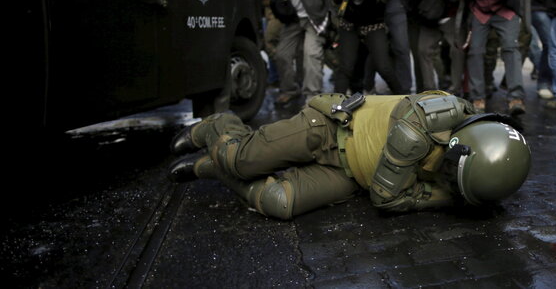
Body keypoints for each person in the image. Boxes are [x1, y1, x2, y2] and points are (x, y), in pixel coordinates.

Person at [167, 92, 531, 219]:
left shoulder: (477, 162)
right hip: (326, 127)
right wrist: (447, 198)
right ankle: (216, 126)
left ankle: (209, 168)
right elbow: (387, 199)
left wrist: (467, 193)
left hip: (351, 173)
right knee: (241, 160)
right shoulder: (425, 121)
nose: (453, 185)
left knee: (279, 201)